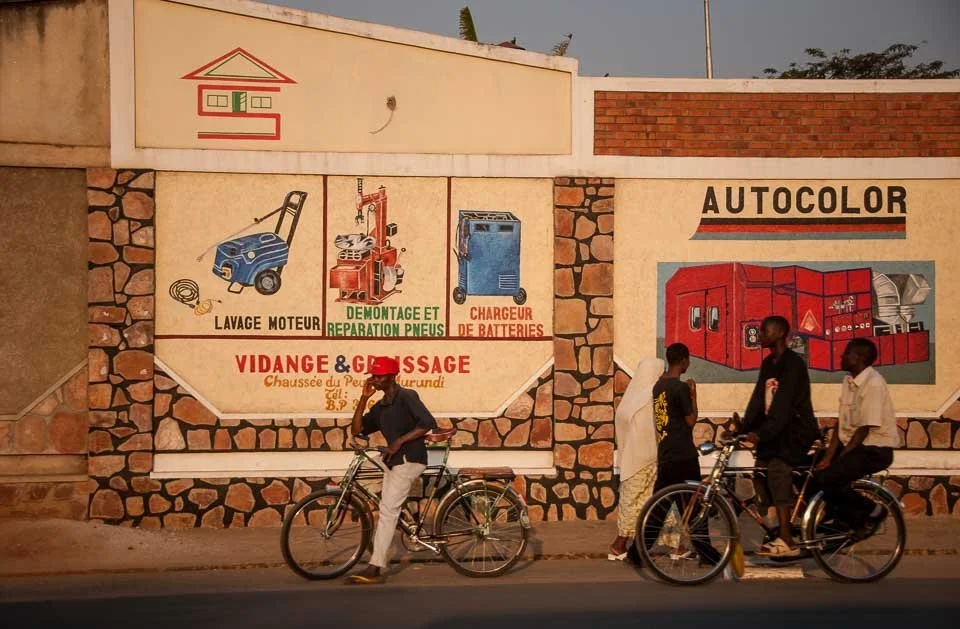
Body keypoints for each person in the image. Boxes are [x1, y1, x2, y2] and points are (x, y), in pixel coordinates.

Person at [733, 315, 820, 558]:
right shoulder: (769, 363)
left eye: (764, 330)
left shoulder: (793, 364)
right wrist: (744, 427)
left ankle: (787, 538)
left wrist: (761, 434)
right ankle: (778, 527)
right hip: (776, 431)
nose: (759, 334)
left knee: (778, 470)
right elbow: (758, 399)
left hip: (795, 431)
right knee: (759, 474)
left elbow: (783, 406)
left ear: (780, 332)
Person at [347, 356, 437, 584]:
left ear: (392, 376)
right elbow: (357, 429)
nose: (374, 379)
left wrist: (399, 441)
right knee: (363, 469)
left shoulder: (407, 396)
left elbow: (427, 422)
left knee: (387, 511)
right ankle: (401, 512)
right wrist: (363, 398)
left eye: (379, 376)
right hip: (391, 459)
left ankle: (375, 567)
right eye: (373, 375)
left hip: (410, 459)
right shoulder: (381, 406)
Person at [812, 338, 899, 536]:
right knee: (810, 467)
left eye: (847, 353)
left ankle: (872, 510)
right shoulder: (849, 381)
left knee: (829, 476)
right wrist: (827, 457)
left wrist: (840, 459)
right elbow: (840, 424)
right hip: (854, 446)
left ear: (859, 358)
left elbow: (864, 429)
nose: (842, 356)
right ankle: (838, 514)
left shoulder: (874, 383)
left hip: (874, 449)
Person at [649, 343, 721, 566]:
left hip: (667, 454)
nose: (689, 364)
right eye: (688, 360)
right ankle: (708, 555)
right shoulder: (679, 389)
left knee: (659, 508)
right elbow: (690, 421)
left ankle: (636, 552)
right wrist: (693, 396)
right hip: (683, 456)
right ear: (682, 361)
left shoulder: (658, 386)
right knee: (693, 508)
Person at [609, 357, 664, 561]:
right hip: (648, 460)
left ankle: (632, 546)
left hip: (630, 460)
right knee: (651, 503)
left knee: (637, 503)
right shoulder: (651, 397)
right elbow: (654, 431)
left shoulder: (630, 398)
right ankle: (620, 544)